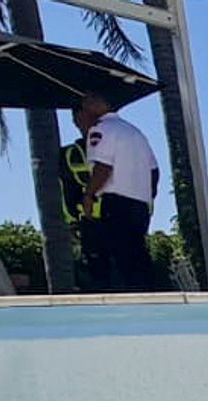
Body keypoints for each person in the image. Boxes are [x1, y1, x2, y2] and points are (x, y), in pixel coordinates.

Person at [73, 93, 159, 292]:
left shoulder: (101, 130)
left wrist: (89, 195)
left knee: (113, 262)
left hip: (115, 203)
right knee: (136, 258)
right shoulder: (135, 133)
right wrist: (147, 193)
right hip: (139, 203)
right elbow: (154, 171)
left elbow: (103, 167)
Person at [57, 136, 107, 291]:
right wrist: (72, 221)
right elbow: (66, 190)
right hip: (90, 220)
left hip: (101, 218)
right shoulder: (70, 154)